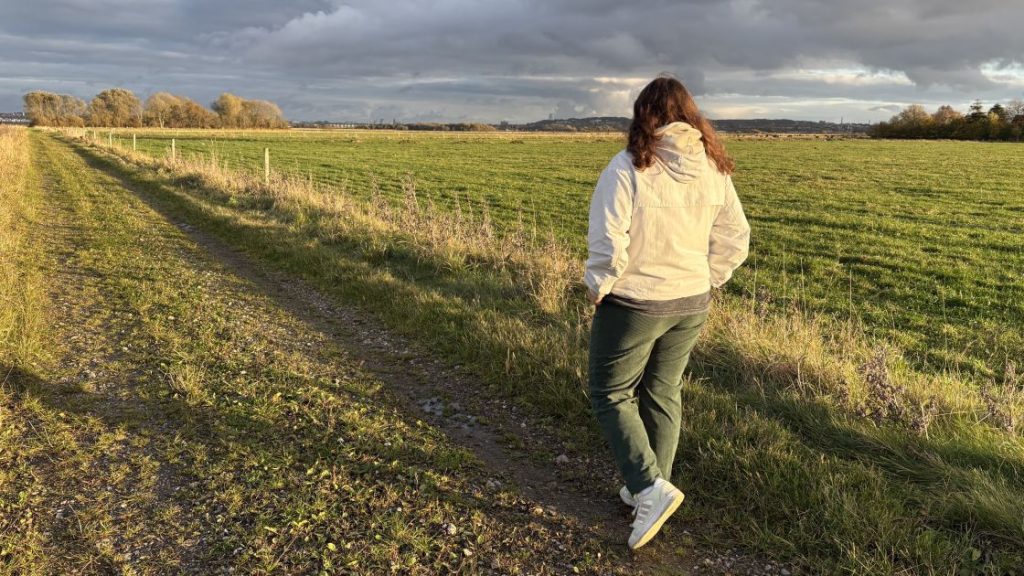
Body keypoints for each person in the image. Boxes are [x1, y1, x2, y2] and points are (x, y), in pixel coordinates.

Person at [584, 75, 750, 550]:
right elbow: (736, 237)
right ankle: (652, 486)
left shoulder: (627, 167)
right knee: (663, 390)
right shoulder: (713, 169)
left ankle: (649, 488)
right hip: (692, 300)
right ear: (691, 116)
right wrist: (709, 277)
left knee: (610, 392)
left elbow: (607, 239)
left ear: (644, 116)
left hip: (636, 301)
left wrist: (599, 287)